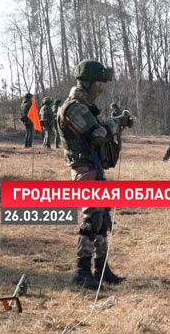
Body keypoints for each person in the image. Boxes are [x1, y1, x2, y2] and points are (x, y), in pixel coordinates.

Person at [57, 60, 134, 288]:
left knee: (102, 221)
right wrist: (117, 123)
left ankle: (101, 269)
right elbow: (98, 135)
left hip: (95, 166)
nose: (101, 87)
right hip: (84, 169)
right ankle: (82, 270)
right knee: (92, 218)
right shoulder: (73, 107)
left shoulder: (87, 106)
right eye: (99, 83)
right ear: (88, 83)